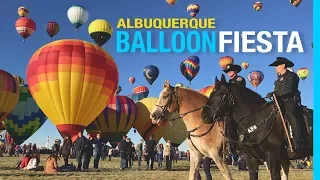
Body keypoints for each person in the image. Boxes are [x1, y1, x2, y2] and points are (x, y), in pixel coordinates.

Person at [267, 57, 308, 152]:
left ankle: (299, 143)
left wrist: (275, 93)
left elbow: (289, 90)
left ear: (283, 65)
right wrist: (272, 95)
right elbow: (276, 92)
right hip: (279, 103)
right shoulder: (277, 81)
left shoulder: (292, 76)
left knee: (291, 116)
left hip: (290, 102)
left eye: (277, 65)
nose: (275, 68)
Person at [222, 64, 246, 155]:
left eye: (231, 70)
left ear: (236, 71)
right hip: (229, 108)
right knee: (228, 127)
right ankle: (232, 147)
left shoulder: (240, 80)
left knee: (238, 125)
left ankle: (238, 144)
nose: (229, 72)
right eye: (228, 71)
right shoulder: (228, 83)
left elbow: (238, 91)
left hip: (239, 106)